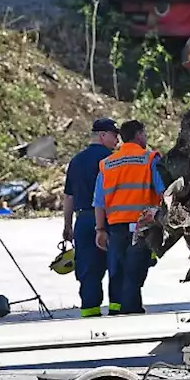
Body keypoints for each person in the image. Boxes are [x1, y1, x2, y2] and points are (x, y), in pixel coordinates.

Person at [94, 120, 165, 315]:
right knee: (136, 272)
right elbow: (163, 192)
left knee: (123, 270)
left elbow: (99, 201)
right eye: (145, 133)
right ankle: (131, 313)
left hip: (116, 226)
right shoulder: (149, 159)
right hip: (142, 225)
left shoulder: (107, 164)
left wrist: (100, 230)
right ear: (139, 135)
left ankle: (127, 310)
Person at [62, 119, 121, 317]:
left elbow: (68, 196)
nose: (117, 140)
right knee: (116, 265)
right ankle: (117, 309)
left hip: (84, 220)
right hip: (109, 220)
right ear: (102, 135)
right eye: (114, 135)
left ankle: (90, 311)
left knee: (87, 269)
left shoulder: (76, 161)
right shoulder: (113, 161)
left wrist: (67, 225)